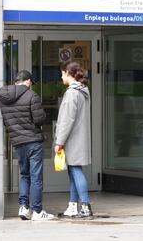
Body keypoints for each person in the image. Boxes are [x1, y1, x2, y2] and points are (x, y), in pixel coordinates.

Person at [0, 70, 55, 221]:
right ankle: (37, 211)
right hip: (33, 141)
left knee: (24, 175)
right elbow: (39, 119)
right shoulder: (31, 95)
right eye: (31, 82)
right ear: (28, 81)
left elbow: (6, 121)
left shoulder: (4, 98)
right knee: (36, 177)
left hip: (18, 141)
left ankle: (24, 207)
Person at [54, 61, 93, 219]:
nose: (61, 76)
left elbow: (67, 120)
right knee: (73, 171)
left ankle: (85, 206)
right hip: (79, 138)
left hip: (72, 139)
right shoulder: (83, 91)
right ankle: (72, 206)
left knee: (75, 171)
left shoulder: (72, 93)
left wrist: (59, 142)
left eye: (62, 73)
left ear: (68, 73)